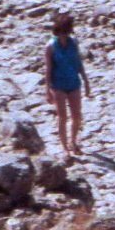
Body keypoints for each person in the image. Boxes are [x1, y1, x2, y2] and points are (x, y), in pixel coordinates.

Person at [43, 12, 91, 157]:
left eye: (66, 32)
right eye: (61, 32)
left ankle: (73, 142)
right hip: (58, 84)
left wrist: (86, 80)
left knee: (77, 116)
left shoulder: (73, 43)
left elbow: (78, 62)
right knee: (62, 117)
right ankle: (65, 147)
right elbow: (48, 68)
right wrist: (47, 89)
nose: (63, 36)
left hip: (73, 82)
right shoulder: (50, 46)